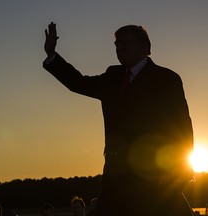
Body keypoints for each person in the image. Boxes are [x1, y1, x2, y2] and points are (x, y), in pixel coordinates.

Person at [43, 22, 194, 216]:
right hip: (115, 175)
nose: (118, 48)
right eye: (116, 44)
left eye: (123, 43)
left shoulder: (166, 79)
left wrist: (181, 172)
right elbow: (78, 83)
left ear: (144, 47)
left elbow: (182, 126)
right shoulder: (113, 76)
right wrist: (52, 56)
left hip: (154, 177)